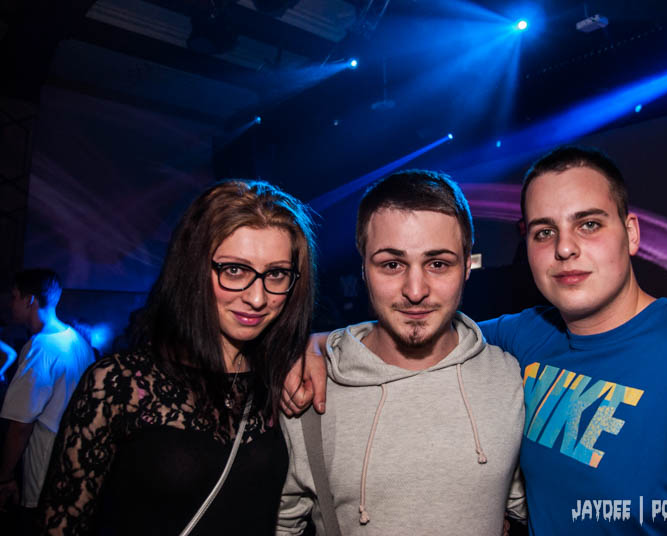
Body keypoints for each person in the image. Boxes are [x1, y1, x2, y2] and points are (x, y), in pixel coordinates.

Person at [285, 147, 667, 534]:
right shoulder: (526, 336)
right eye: (544, 232)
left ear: (632, 234)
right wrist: (312, 346)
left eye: (589, 224)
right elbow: (419, 331)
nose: (565, 248)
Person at [38, 180, 317, 535]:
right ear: (194, 269)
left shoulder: (282, 381)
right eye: (235, 270)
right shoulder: (120, 384)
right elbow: (60, 526)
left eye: (276, 274)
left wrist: (315, 346)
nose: (258, 297)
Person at [277, 170, 525, 535]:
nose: (415, 290)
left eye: (438, 264)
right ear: (363, 268)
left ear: (466, 266)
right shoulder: (310, 387)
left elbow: (537, 506)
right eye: (392, 264)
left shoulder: (508, 379)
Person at [0, 269, 94, 532]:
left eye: (14, 296)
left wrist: (4, 477)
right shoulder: (77, 340)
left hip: (43, 473)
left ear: (30, 300)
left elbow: (20, 425)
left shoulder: (40, 349)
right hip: (74, 467)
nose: (10, 303)